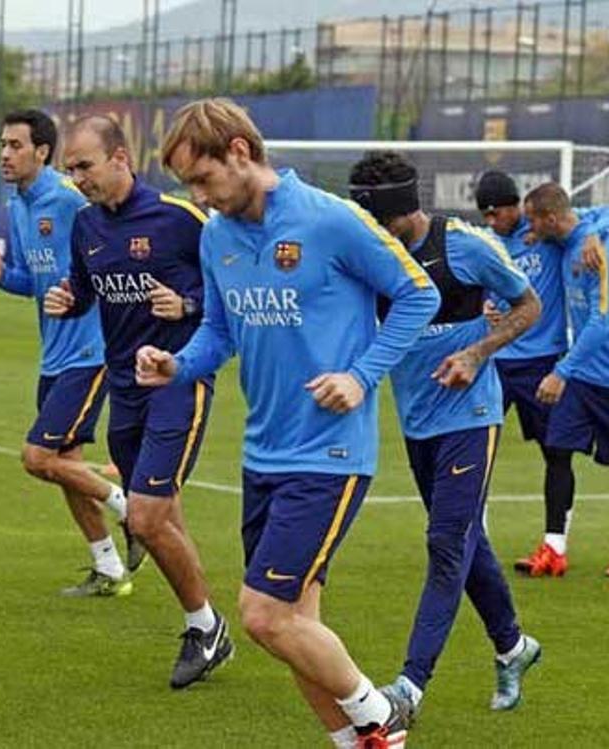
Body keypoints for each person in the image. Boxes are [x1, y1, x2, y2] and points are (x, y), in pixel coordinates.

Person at [139, 98, 435, 748]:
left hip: (329, 454)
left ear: (240, 152)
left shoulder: (332, 219)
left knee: (263, 614)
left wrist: (360, 375)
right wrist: (177, 365)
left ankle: (379, 713)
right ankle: (365, 743)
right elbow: (219, 331)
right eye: (188, 185)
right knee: (298, 626)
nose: (199, 197)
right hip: (263, 452)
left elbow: (420, 293)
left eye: (204, 179)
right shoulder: (216, 236)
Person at [349, 152, 542, 719]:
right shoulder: (373, 255)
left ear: (394, 209)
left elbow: (529, 305)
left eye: (371, 215)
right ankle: (513, 646)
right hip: (417, 421)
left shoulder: (466, 245)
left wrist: (478, 352)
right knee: (463, 541)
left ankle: (409, 687)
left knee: (444, 542)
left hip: (471, 416)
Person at [44, 114, 226, 690]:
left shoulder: (182, 219)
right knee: (160, 516)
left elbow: (227, 289)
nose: (77, 179)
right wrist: (66, 299)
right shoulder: (85, 226)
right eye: (70, 169)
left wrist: (189, 306)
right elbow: (85, 292)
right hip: (123, 389)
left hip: (180, 382)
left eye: (85, 166)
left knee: (146, 515)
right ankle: (205, 620)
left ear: (121, 159)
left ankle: (206, 627)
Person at [0, 110, 139, 595]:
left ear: (43, 152)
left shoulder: (72, 199)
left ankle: (132, 509)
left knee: (38, 456)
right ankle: (108, 568)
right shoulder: (18, 205)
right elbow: (32, 280)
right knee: (66, 465)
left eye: (15, 145)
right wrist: (1, 274)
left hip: (92, 351)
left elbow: (116, 248)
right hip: (54, 353)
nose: (5, 154)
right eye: (2, 145)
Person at [474, 171, 609, 577]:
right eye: (484, 214)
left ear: (515, 207)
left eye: (497, 212)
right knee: (473, 448)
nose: (492, 221)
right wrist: (484, 307)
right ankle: (475, 539)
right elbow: (482, 288)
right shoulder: (485, 242)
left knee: (556, 452)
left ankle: (555, 544)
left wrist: (596, 232)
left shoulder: (544, 231)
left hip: (544, 361)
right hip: (496, 359)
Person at [524, 182, 609, 578]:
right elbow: (603, 212)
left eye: (533, 220)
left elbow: (602, 322)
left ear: (550, 219)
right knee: (557, 451)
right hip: (583, 376)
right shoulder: (572, 236)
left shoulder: (600, 252)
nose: (530, 228)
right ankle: (553, 547)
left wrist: (561, 371)